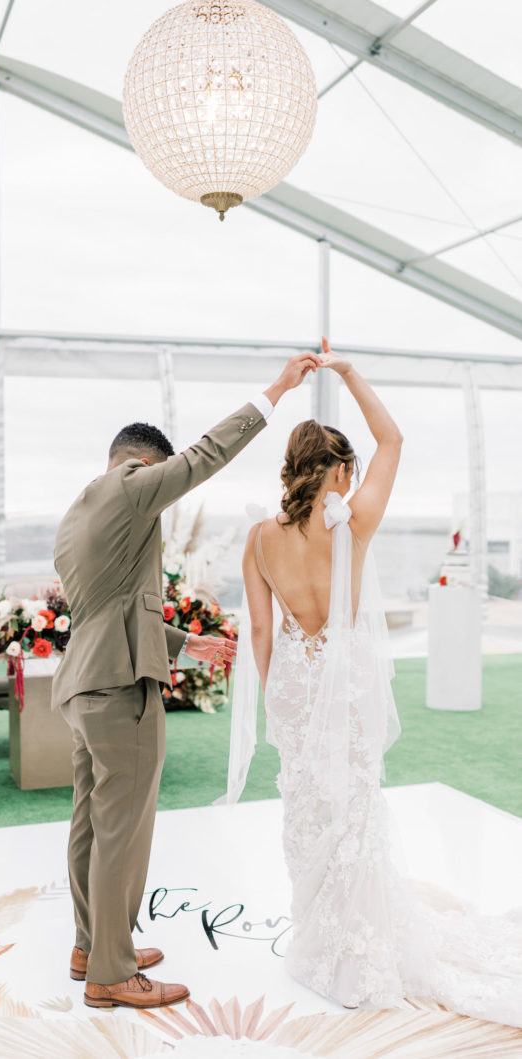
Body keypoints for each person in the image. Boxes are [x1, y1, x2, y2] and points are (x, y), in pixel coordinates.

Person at [234, 338, 522, 1022]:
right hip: (346, 681)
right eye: (349, 468)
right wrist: (350, 372)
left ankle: (322, 944)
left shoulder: (256, 538)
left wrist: (280, 697)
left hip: (295, 688)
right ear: (337, 471)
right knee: (354, 806)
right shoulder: (352, 522)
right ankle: (358, 954)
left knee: (307, 809)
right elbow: (392, 437)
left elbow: (262, 632)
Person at [51, 350, 322, 1010]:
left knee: (91, 818)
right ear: (141, 462)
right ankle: (111, 972)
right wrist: (278, 391)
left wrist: (185, 641)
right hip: (121, 691)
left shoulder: (75, 516)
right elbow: (203, 455)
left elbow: (106, 609)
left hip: (83, 687)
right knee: (123, 826)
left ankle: (93, 943)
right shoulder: (134, 482)